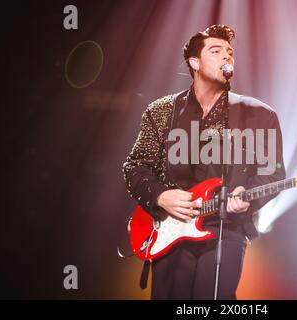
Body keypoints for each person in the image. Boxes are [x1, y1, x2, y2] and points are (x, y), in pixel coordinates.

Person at [122, 24, 285, 299]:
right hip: (171, 229)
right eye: (216, 50)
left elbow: (274, 173)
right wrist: (161, 197)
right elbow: (134, 167)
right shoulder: (162, 111)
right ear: (194, 62)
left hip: (226, 230)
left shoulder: (258, 115)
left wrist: (247, 198)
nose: (227, 57)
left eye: (230, 53)